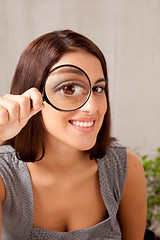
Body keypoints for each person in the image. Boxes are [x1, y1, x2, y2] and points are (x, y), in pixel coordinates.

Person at [0, 30, 147, 240]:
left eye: (98, 88)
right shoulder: (4, 174)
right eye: (69, 88)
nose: (92, 107)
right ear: (32, 96)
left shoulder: (124, 167)